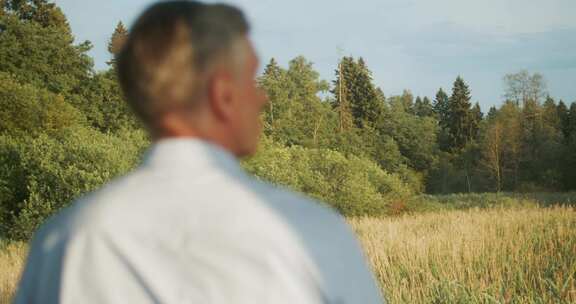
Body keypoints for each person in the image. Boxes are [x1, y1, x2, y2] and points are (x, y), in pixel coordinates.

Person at [14, 1, 385, 303]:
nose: (262, 96)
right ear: (222, 95)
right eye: (252, 78)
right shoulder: (308, 232)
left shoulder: (62, 241)